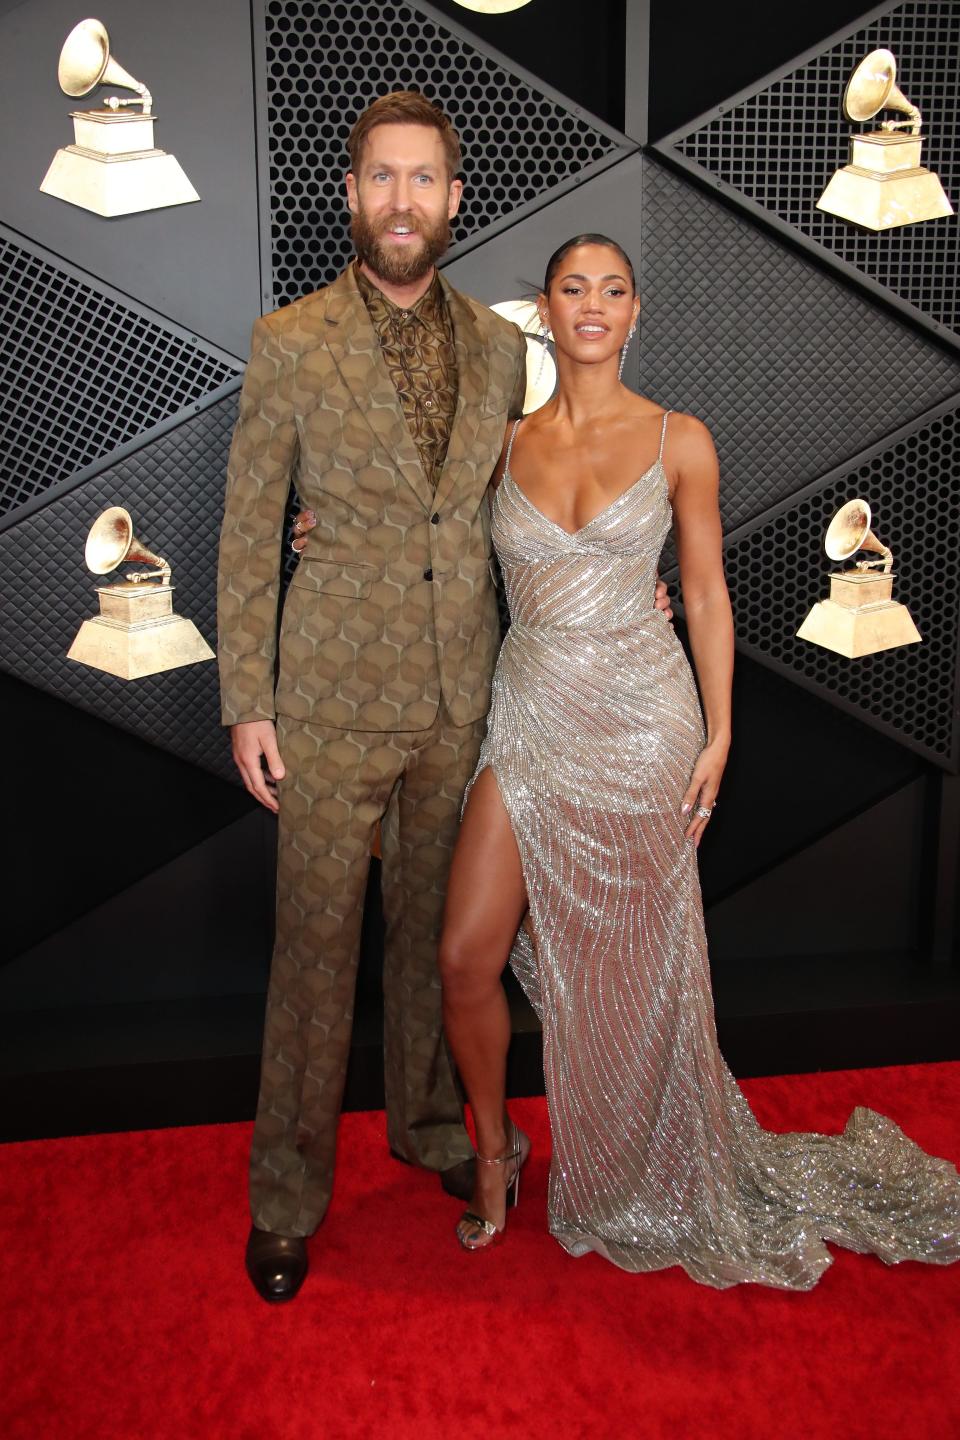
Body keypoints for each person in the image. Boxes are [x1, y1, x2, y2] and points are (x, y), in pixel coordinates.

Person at [218, 94, 675, 1304]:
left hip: (468, 698)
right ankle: (287, 1197)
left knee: (434, 946)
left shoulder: (501, 344)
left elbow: (531, 498)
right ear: (354, 193)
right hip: (323, 698)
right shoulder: (290, 341)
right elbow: (250, 528)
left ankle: (429, 1127)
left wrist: (629, 589)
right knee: (314, 957)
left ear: (454, 199)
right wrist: (247, 699)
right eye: (383, 179)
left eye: (425, 180)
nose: (404, 200)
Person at [436, 234, 960, 1288]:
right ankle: (496, 1151)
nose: (594, 305)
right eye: (574, 289)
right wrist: (319, 532)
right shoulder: (492, 445)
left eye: (614, 290)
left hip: (644, 724)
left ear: (637, 313)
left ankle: (645, 1167)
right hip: (533, 716)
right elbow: (422, 541)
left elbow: (709, 596)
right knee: (463, 954)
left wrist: (719, 734)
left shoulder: (682, 440)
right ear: (546, 309)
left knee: (640, 971)